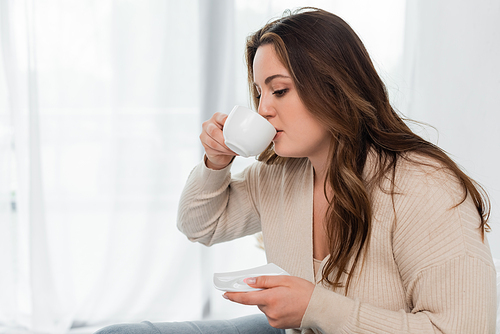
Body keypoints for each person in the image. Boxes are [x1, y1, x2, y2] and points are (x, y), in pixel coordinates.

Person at [95, 7, 496, 334]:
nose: (263, 108)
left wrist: (315, 308)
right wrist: (215, 164)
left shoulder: (423, 188)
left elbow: (463, 329)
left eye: (279, 89)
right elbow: (200, 225)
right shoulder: (279, 174)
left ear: (333, 86)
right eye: (258, 92)